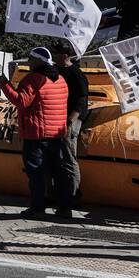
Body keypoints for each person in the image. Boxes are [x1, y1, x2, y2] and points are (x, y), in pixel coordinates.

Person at [0, 47, 71, 220]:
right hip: (57, 134)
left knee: (36, 174)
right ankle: (65, 208)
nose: (29, 62)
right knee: (58, 173)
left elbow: (21, 101)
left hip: (36, 134)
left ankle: (38, 208)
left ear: (38, 61)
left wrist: (5, 85)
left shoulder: (33, 79)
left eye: (31, 59)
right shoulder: (60, 79)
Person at [51, 42, 87, 207]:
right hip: (57, 118)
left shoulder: (75, 73)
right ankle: (58, 194)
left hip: (70, 120)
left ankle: (74, 195)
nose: (53, 56)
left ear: (65, 55)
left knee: (68, 157)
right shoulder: (56, 71)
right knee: (56, 158)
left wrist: (71, 119)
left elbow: (82, 98)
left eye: (56, 54)